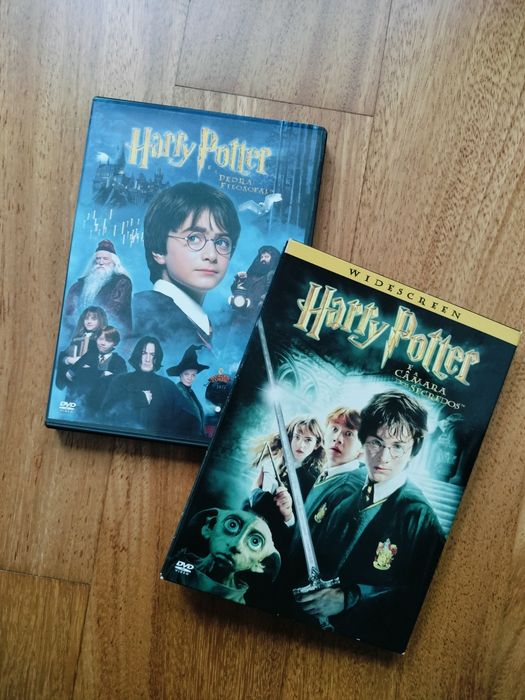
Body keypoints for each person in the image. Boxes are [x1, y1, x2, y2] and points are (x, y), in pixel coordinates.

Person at [289, 390, 446, 653]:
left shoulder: (419, 517)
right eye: (376, 442)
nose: (384, 458)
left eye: (398, 447)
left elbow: (421, 596)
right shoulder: (346, 490)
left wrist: (350, 598)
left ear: (413, 449)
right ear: (364, 441)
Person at [132, 182, 241, 350]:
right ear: (158, 250)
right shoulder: (142, 317)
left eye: (222, 242)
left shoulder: (199, 323)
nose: (212, 255)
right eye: (193, 238)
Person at [163, 508, 281, 605]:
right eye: (232, 525)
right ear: (209, 527)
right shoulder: (172, 565)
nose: (236, 545)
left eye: (255, 542)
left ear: (261, 564)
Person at [248, 417, 325, 551]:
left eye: (308, 440)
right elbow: (254, 491)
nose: (300, 445)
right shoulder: (276, 461)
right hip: (252, 525)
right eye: (297, 437)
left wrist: (288, 514)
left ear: (317, 444)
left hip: (274, 543)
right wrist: (255, 493)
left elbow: (302, 530)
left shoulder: (314, 481)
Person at [102, 336, 177, 436]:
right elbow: (106, 412)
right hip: (120, 437)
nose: (147, 359)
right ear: (138, 354)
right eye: (144, 353)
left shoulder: (167, 386)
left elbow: (182, 419)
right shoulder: (121, 380)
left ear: (157, 358)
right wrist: (138, 398)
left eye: (152, 355)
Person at [305, 407, 365, 530]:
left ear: (362, 447)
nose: (337, 438)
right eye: (334, 429)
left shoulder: (351, 490)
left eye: (349, 434)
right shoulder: (327, 474)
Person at [65, 239, 132, 332]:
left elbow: (113, 311)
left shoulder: (122, 282)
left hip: (110, 333)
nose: (101, 262)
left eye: (105, 259)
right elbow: (70, 312)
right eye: (98, 259)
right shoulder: (79, 285)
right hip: (81, 331)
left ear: (114, 263)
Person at [71, 326, 128, 414]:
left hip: (103, 407)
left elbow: (120, 385)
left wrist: (87, 372)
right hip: (80, 402)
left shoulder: (119, 362)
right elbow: (72, 373)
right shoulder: (89, 355)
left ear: (115, 343)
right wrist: (102, 374)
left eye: (108, 340)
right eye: (100, 339)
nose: (103, 343)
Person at [55, 306, 108, 392]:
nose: (89, 321)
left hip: (88, 386)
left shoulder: (103, 342)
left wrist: (80, 362)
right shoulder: (77, 338)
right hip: (73, 384)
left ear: (101, 321)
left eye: (94, 319)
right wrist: (67, 359)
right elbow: (64, 354)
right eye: (86, 318)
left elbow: (99, 364)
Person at [166, 345, 209, 441]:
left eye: (193, 375)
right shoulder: (175, 392)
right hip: (182, 439)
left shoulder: (191, 393)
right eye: (187, 374)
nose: (190, 378)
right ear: (180, 374)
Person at [229, 245, 280, 320]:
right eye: (261, 257)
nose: (263, 259)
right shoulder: (251, 275)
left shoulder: (273, 277)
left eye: (266, 257)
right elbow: (235, 291)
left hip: (255, 318)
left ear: (273, 259)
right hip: (238, 315)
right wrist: (238, 280)